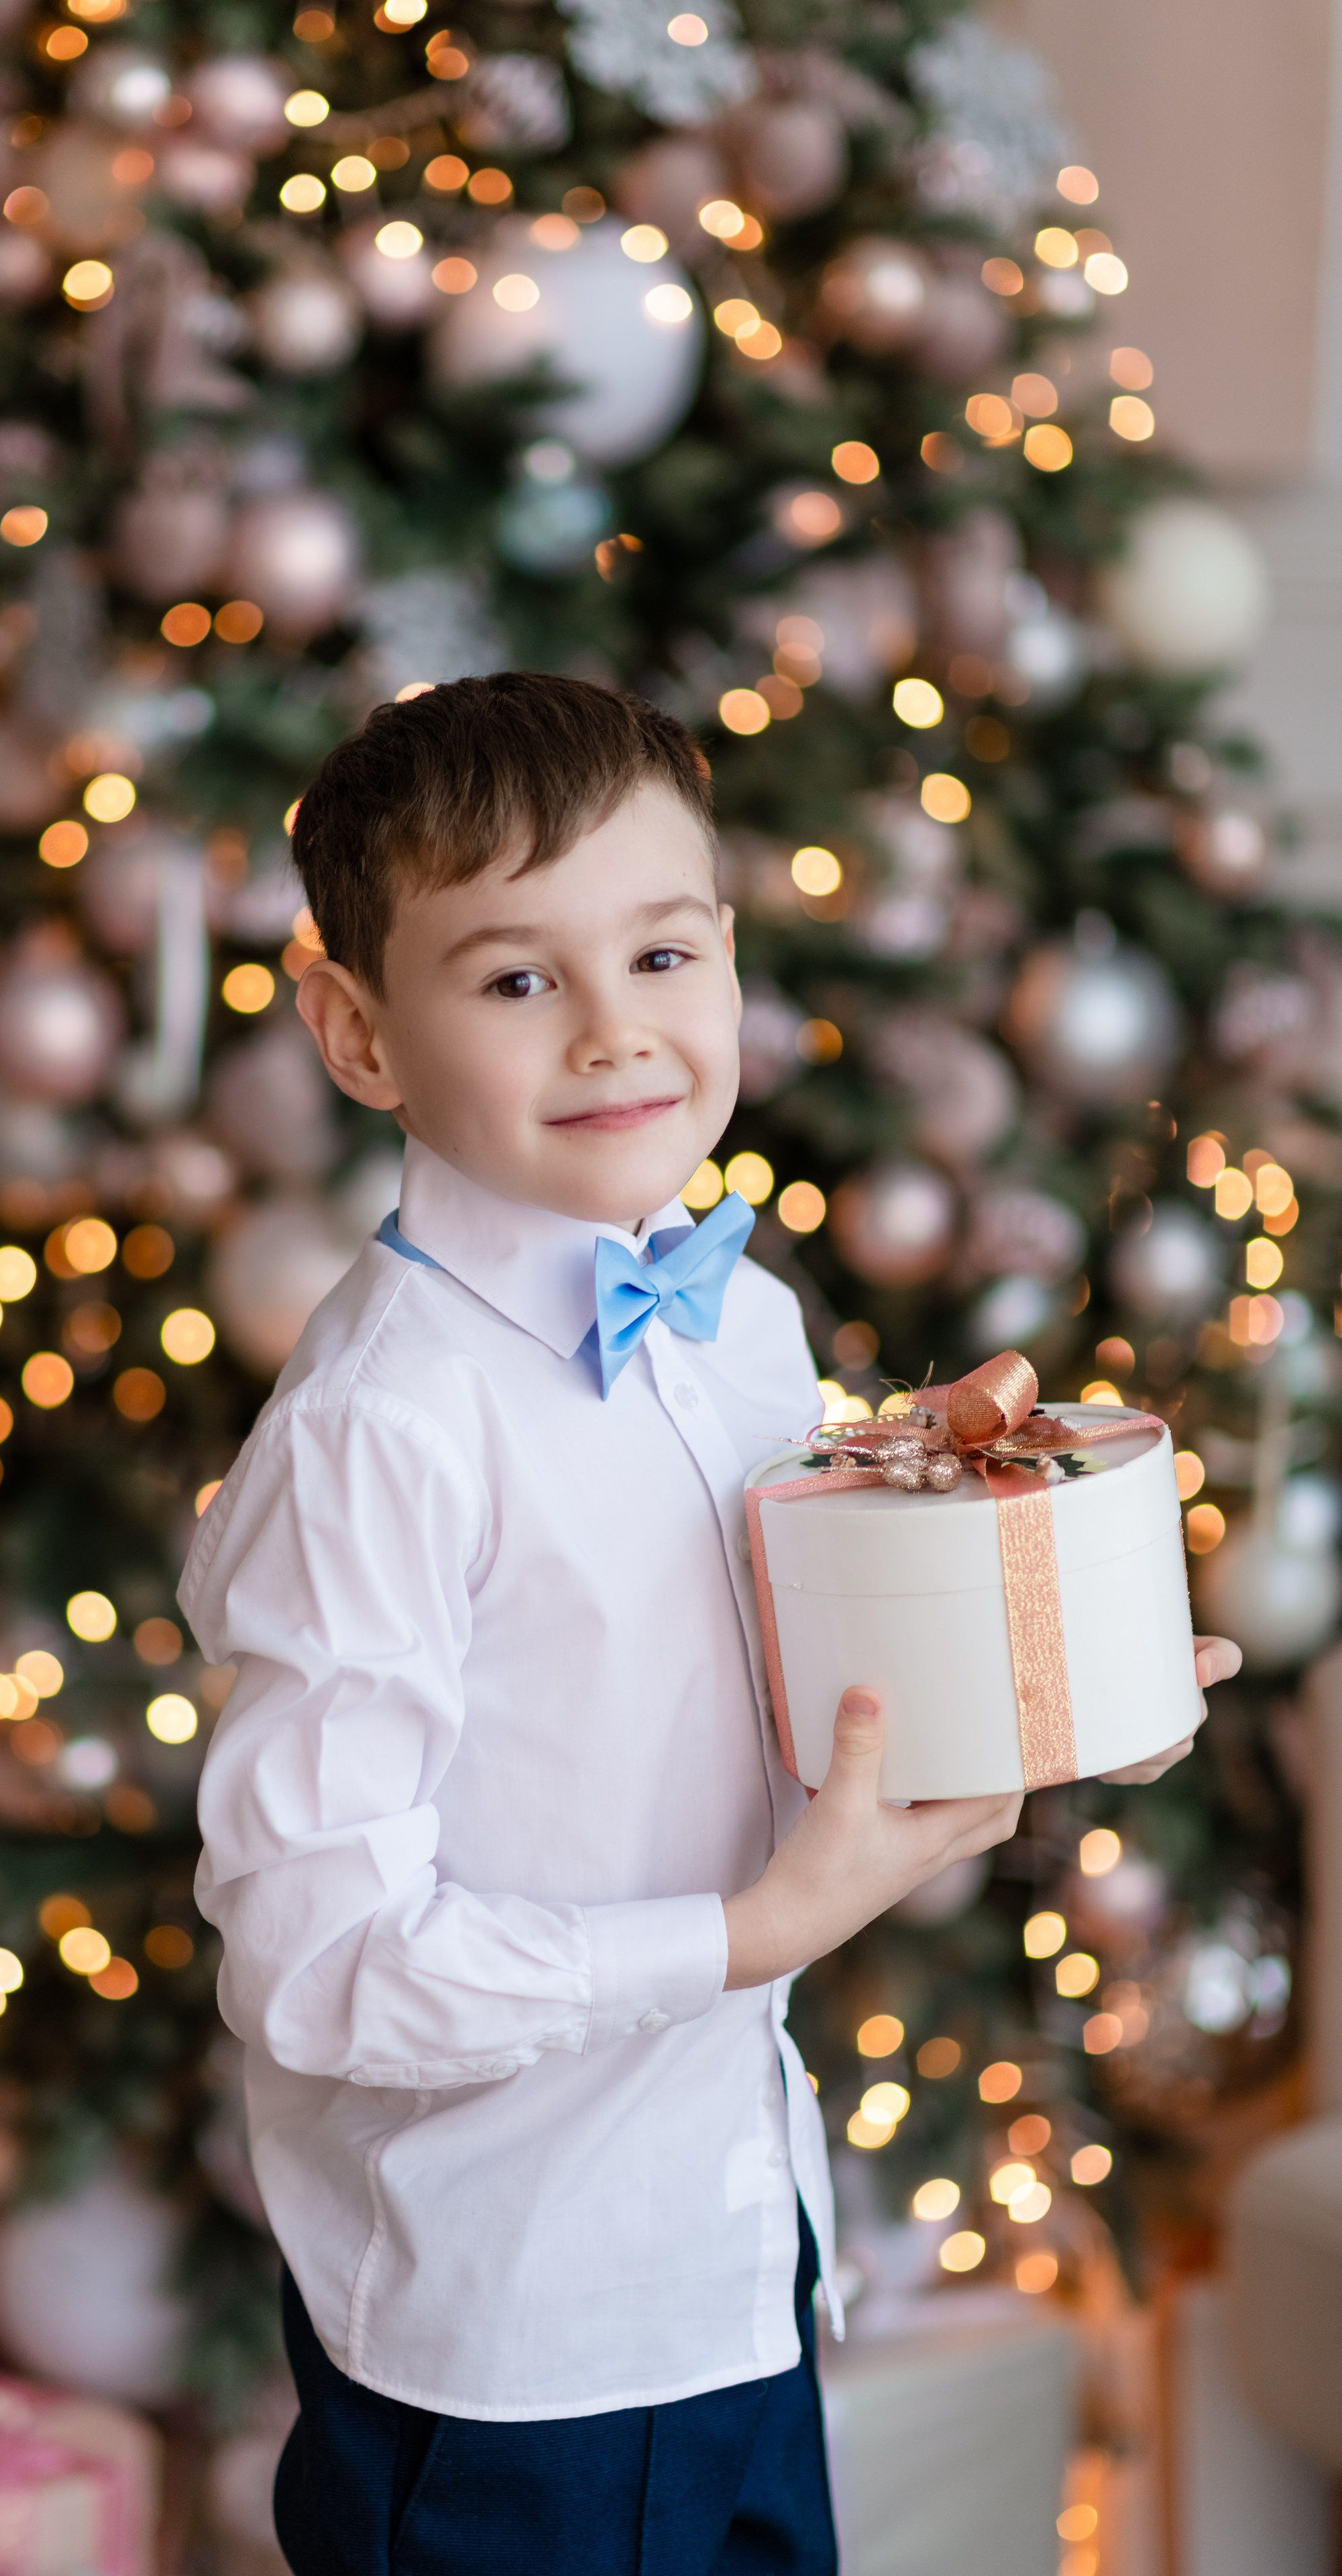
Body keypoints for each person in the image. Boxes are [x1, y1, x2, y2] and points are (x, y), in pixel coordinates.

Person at [180, 674, 1237, 2576]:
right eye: (516, 980)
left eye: (661, 952)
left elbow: (759, 1702)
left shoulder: (737, 1323)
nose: (614, 1034)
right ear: (356, 1032)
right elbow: (321, 1967)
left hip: (740, 2264)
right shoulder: (378, 1435)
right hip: (509, 2356)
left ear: (729, 956)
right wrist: (747, 1937)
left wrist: (1044, 1655)